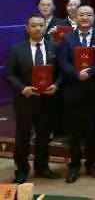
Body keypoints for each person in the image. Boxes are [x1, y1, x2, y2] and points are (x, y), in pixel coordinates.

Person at [5, 14, 60, 183]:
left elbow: (61, 72)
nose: (37, 28)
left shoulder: (54, 47)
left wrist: (56, 85)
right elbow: (9, 74)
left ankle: (42, 167)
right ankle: (22, 169)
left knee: (44, 135)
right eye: (34, 25)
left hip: (47, 100)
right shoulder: (16, 49)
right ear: (27, 28)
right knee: (23, 136)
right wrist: (23, 89)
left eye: (41, 25)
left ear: (45, 27)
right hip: (25, 100)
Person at [57, 4, 95, 182]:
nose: (85, 18)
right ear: (75, 17)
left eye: (89, 15)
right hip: (73, 90)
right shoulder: (67, 38)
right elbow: (63, 62)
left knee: (93, 131)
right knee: (74, 132)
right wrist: (77, 74)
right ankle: (74, 165)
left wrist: (90, 72)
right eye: (81, 15)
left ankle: (91, 164)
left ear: (94, 18)